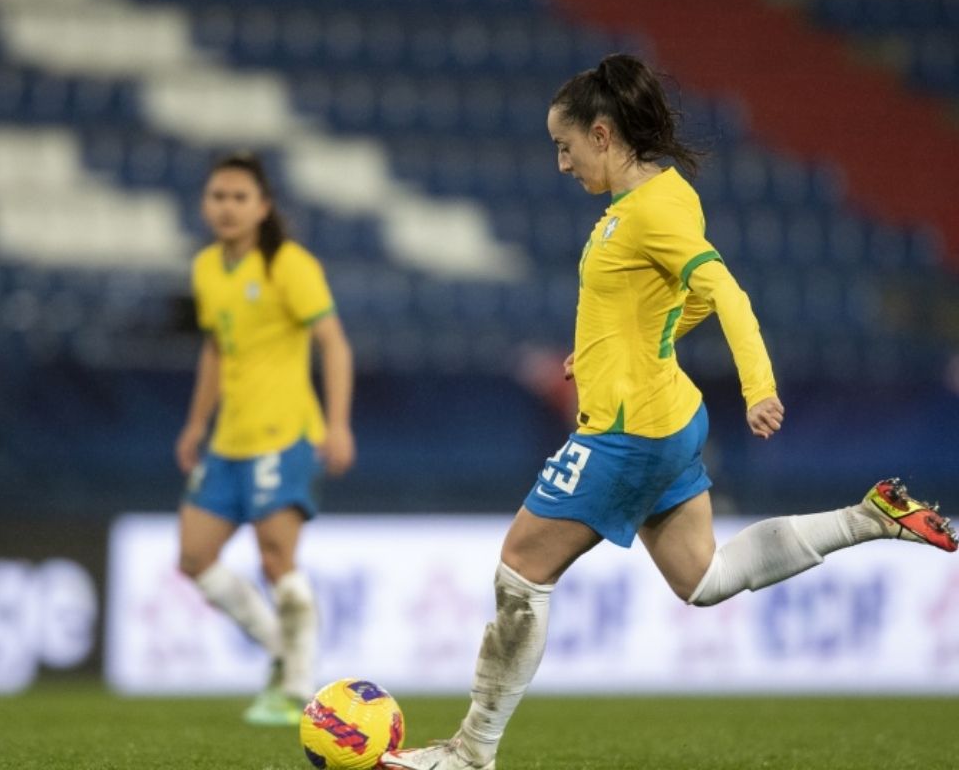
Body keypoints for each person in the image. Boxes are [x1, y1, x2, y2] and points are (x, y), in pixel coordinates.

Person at [381, 54, 956, 770]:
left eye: (564, 147)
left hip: (630, 430)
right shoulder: (667, 194)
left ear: (602, 133)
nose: (561, 165)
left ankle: (472, 753)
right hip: (669, 418)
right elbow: (672, 304)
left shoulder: (646, 214)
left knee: (520, 573)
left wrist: (759, 387)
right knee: (703, 579)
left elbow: (725, 291)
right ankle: (869, 516)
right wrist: (597, 353)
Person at [175, 152, 355, 726]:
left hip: (284, 435)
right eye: (218, 197)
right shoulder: (206, 268)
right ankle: (282, 650)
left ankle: (297, 686)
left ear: (263, 207)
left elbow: (335, 344)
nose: (227, 208)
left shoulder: (288, 265)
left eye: (239, 198)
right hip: (228, 441)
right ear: (206, 205)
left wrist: (339, 422)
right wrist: (195, 423)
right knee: (195, 557)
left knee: (278, 560)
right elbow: (215, 348)